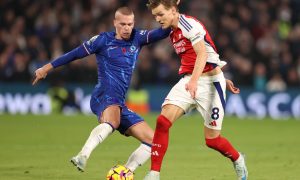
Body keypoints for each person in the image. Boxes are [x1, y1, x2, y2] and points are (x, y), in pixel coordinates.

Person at [32, 6, 171, 174]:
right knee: (113, 122)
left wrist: (174, 16)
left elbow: (162, 32)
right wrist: (46, 68)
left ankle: (125, 173)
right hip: (103, 95)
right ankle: (82, 155)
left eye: (130, 24)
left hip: (119, 102)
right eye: (123, 24)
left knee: (154, 140)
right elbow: (74, 54)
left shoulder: (137, 38)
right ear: (114, 23)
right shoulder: (102, 41)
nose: (127, 28)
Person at [143, 1, 248, 180]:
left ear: (173, 11)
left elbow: (202, 53)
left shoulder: (189, 25)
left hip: (209, 85)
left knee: (212, 140)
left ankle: (238, 160)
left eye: (160, 14)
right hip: (190, 79)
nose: (157, 19)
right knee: (162, 122)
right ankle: (154, 174)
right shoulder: (171, 30)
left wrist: (202, 81)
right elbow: (206, 53)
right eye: (155, 16)